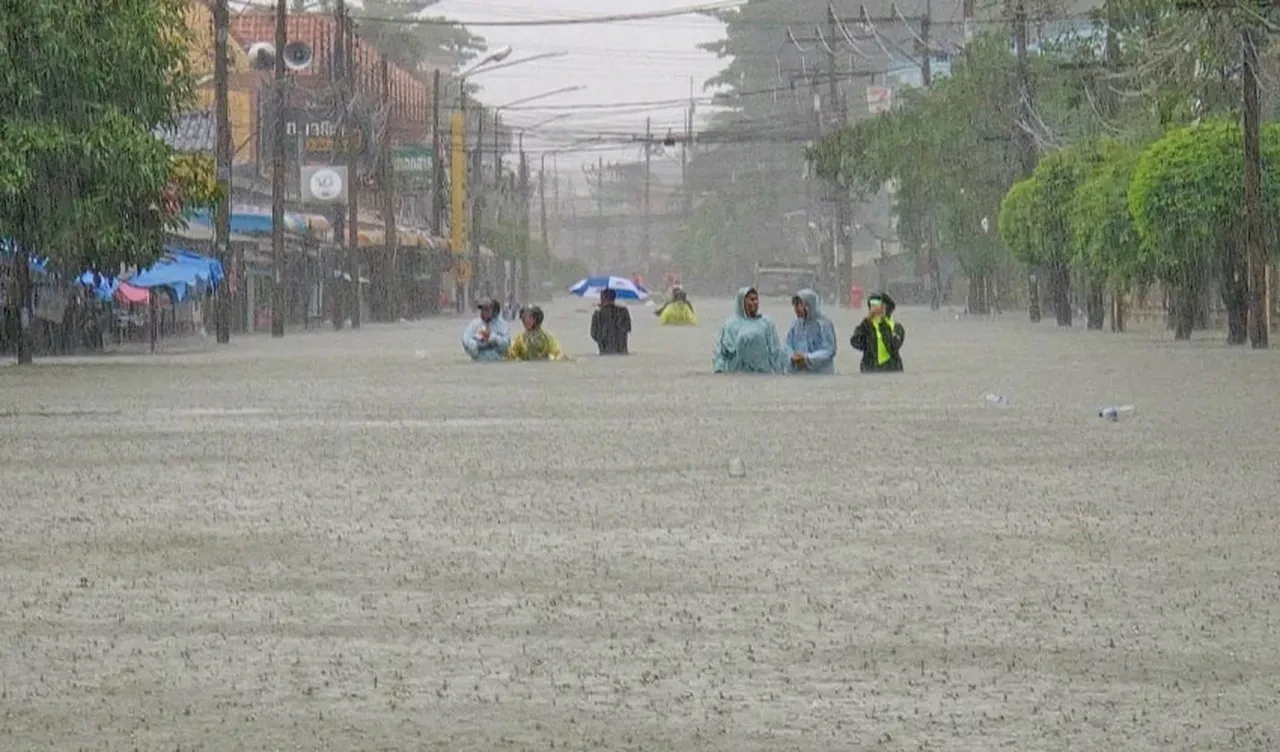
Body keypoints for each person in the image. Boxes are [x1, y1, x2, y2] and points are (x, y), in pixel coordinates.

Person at [713, 286, 786, 373]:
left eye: (756, 299)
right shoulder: (730, 325)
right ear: (742, 302)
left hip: (763, 373)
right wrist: (719, 370)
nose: (755, 302)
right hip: (737, 374)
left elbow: (775, 350)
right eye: (751, 299)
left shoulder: (766, 323)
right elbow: (720, 352)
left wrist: (780, 371)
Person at [850, 292, 905, 373]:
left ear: (885, 306)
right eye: (872, 304)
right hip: (869, 369)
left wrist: (882, 323)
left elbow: (893, 346)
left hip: (891, 369)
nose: (874, 307)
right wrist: (864, 324)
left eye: (877, 304)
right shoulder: (866, 325)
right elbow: (856, 343)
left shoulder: (896, 327)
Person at [785, 288, 837, 374]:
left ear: (809, 305)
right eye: (794, 305)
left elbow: (829, 350)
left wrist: (806, 359)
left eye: (799, 304)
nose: (795, 308)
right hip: (800, 375)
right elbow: (788, 345)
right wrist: (792, 357)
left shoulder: (824, 324)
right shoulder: (795, 325)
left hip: (821, 375)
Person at [461, 297, 510, 361]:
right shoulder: (474, 324)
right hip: (478, 360)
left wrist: (493, 337)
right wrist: (475, 345)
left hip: (496, 360)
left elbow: (507, 344)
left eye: (487, 309)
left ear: (493, 310)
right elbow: (465, 339)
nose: (485, 311)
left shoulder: (501, 325)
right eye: (483, 309)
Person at [590, 288, 631, 355]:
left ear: (603, 298)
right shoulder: (623, 311)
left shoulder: (598, 313)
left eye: (601, 297)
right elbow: (628, 329)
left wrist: (602, 341)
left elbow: (593, 334)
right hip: (622, 351)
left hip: (605, 351)